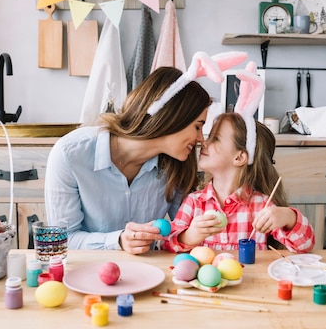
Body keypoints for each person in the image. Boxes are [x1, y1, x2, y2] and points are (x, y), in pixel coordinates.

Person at [45, 51, 248, 255]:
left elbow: (188, 228)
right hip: (87, 274)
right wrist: (118, 240)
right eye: (197, 127)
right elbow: (63, 239)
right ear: (172, 118)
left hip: (152, 274)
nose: (201, 139)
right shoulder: (70, 155)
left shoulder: (177, 164)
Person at [162, 62, 315, 253]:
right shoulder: (194, 202)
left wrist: (287, 217)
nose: (204, 142)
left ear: (239, 157)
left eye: (215, 139)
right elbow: (166, 245)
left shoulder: (261, 205)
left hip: (252, 282)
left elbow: (305, 245)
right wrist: (189, 235)